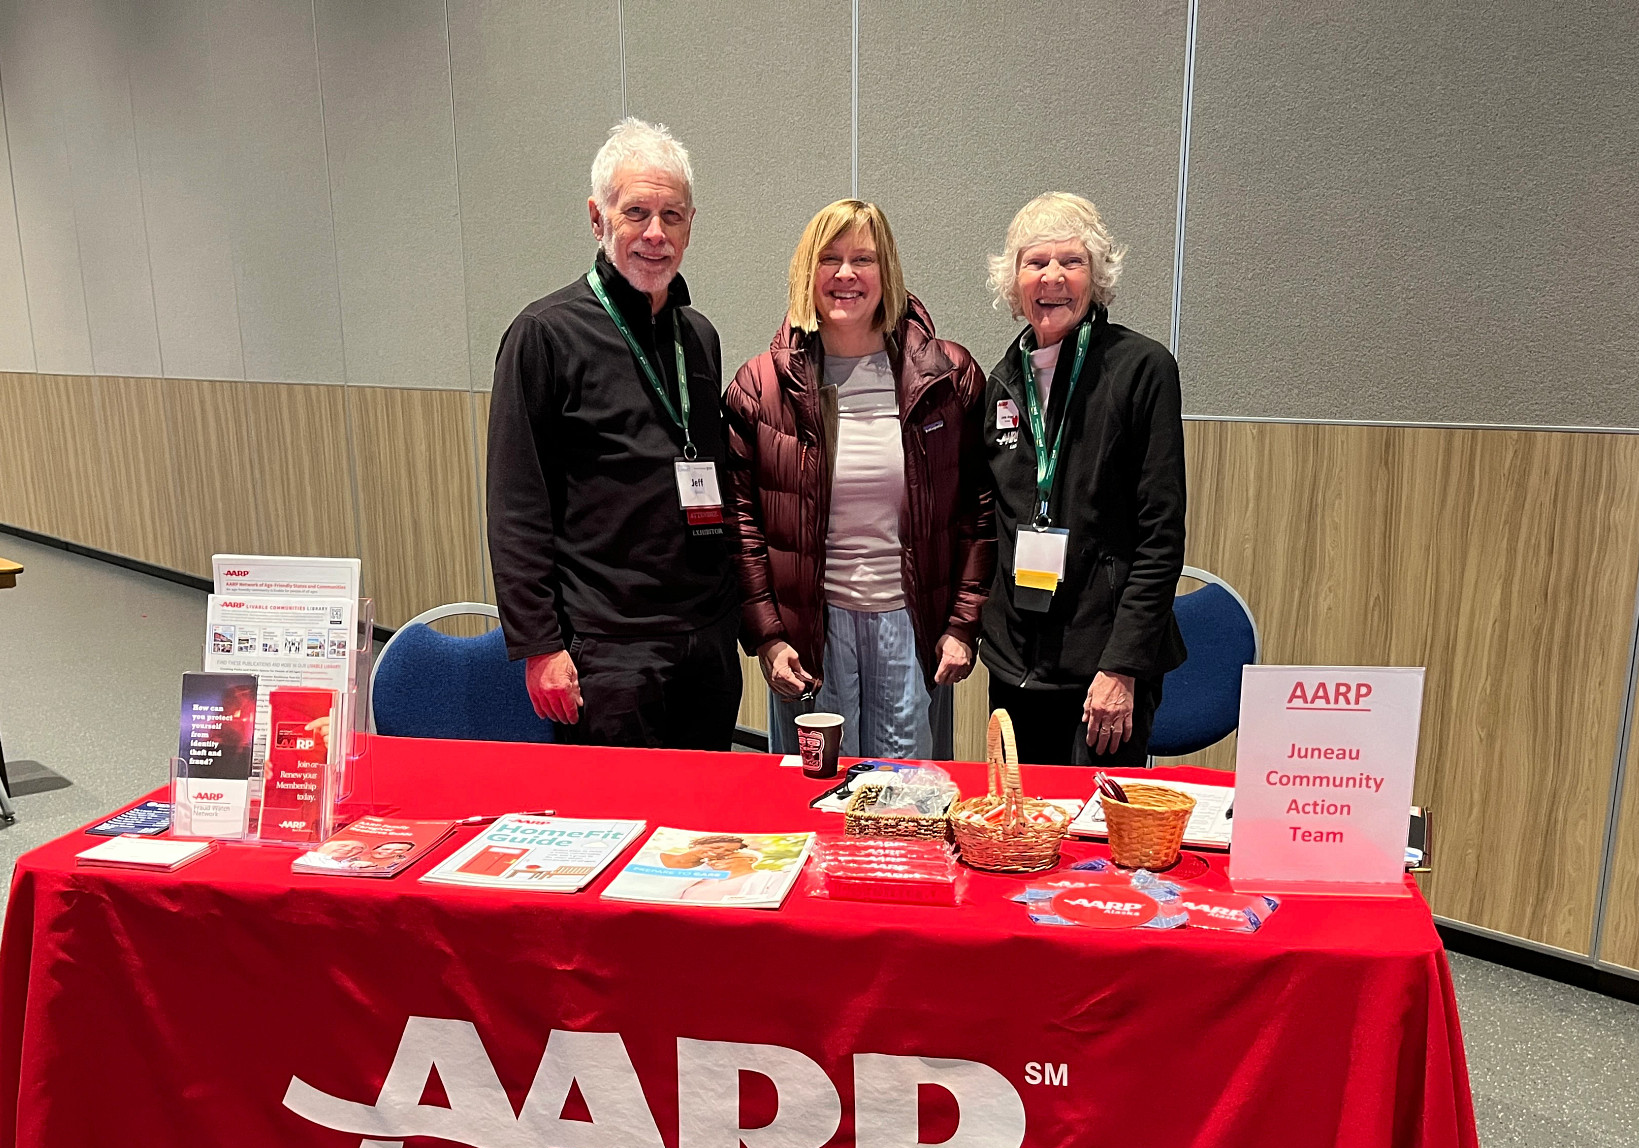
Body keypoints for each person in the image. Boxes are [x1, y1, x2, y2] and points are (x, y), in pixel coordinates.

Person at [487, 118, 740, 750]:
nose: (656, 235)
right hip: (608, 650)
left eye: (673, 216)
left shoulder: (698, 337)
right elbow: (517, 505)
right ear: (598, 219)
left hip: (704, 644)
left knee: (702, 840)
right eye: (637, 214)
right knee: (616, 836)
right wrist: (540, 646)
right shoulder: (544, 335)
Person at [725, 199, 993, 760]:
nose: (846, 274)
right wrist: (769, 638)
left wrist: (964, 626)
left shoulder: (947, 376)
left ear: (887, 271)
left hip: (913, 628)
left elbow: (977, 510)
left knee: (907, 804)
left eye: (863, 259)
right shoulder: (760, 387)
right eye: (830, 258)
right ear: (807, 272)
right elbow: (743, 527)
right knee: (817, 805)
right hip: (811, 637)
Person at [978, 193, 1186, 766]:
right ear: (1013, 282)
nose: (1053, 277)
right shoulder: (1003, 382)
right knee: (1020, 838)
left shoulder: (1142, 370)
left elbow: (1160, 539)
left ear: (1097, 276)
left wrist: (1121, 667)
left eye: (1071, 262)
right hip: (1017, 666)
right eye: (1035, 262)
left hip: (1104, 670)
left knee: (1094, 848)